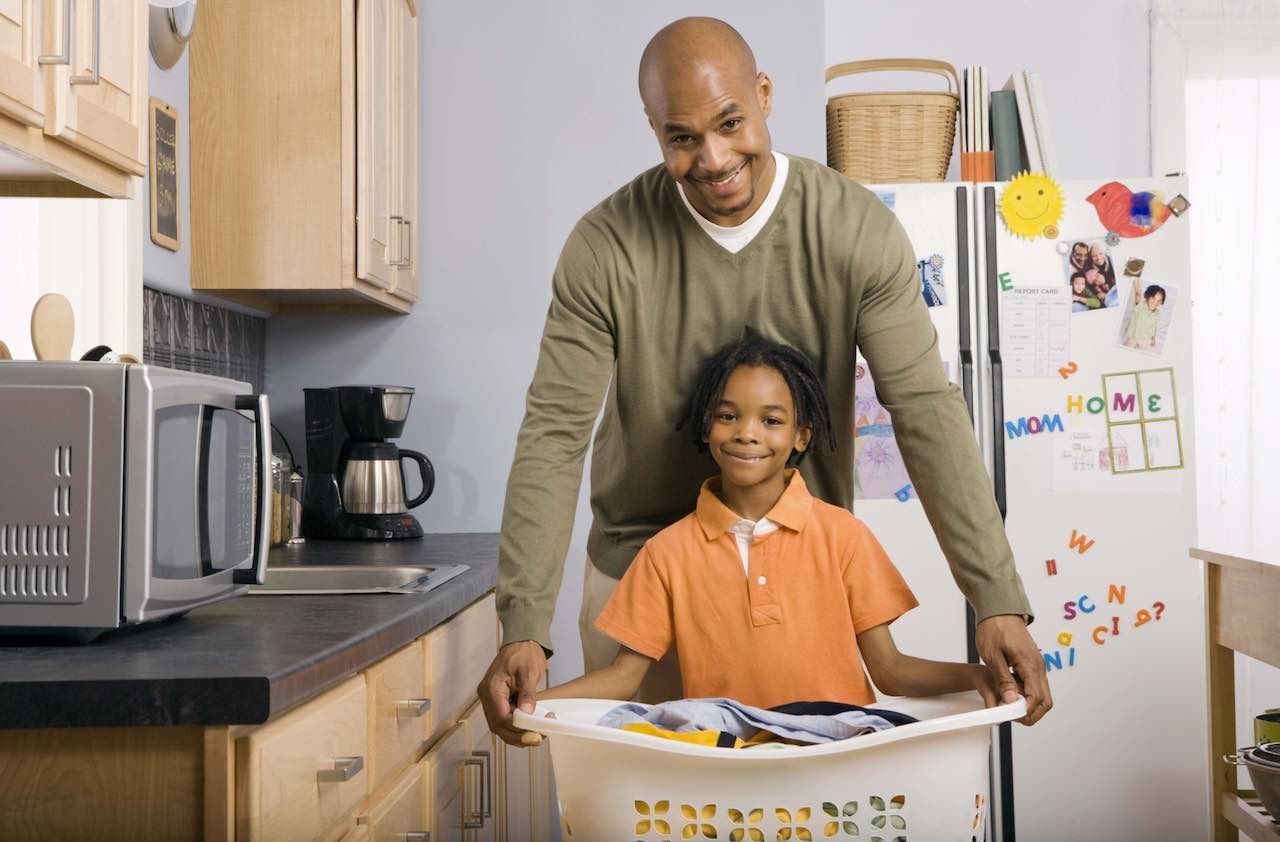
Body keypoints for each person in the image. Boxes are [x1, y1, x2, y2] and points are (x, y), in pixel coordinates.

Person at [479, 16, 1050, 747]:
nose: (713, 158)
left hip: (799, 575)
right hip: (643, 574)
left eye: (729, 123)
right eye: (681, 137)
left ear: (766, 95)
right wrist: (525, 624)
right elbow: (554, 434)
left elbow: (925, 410)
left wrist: (995, 599)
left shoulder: (852, 229)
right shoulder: (606, 246)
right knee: (653, 814)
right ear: (653, 129)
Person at [538, 331, 999, 711]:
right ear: (706, 426)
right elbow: (623, 678)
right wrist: (534, 704)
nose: (747, 432)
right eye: (728, 415)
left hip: (840, 771)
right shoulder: (666, 553)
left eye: (771, 420)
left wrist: (978, 675)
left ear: (802, 435)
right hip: (731, 781)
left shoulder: (844, 537)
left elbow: (890, 671)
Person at [1126, 279, 1166, 348]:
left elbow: (1154, 326)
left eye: (1159, 301)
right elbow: (1138, 292)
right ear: (1148, 296)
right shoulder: (1140, 305)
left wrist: (1153, 338)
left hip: (1145, 339)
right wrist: (1135, 278)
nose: (1155, 302)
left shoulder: (1157, 313)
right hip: (1133, 337)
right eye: (1153, 298)